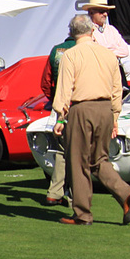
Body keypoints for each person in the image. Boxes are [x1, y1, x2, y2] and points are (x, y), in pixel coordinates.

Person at [51, 14, 130, 226]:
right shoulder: (109, 55)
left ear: (72, 33)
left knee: (78, 161)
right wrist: (115, 115)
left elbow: (64, 90)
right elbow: (117, 89)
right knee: (99, 160)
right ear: (92, 31)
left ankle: (82, 214)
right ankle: (126, 193)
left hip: (82, 109)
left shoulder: (70, 55)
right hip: (106, 109)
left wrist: (60, 118)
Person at [40, 26, 78, 206]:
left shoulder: (57, 50)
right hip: (80, 106)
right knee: (79, 152)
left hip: (60, 107)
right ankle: (73, 195)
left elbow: (46, 82)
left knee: (62, 151)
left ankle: (54, 192)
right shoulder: (86, 50)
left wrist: (56, 99)